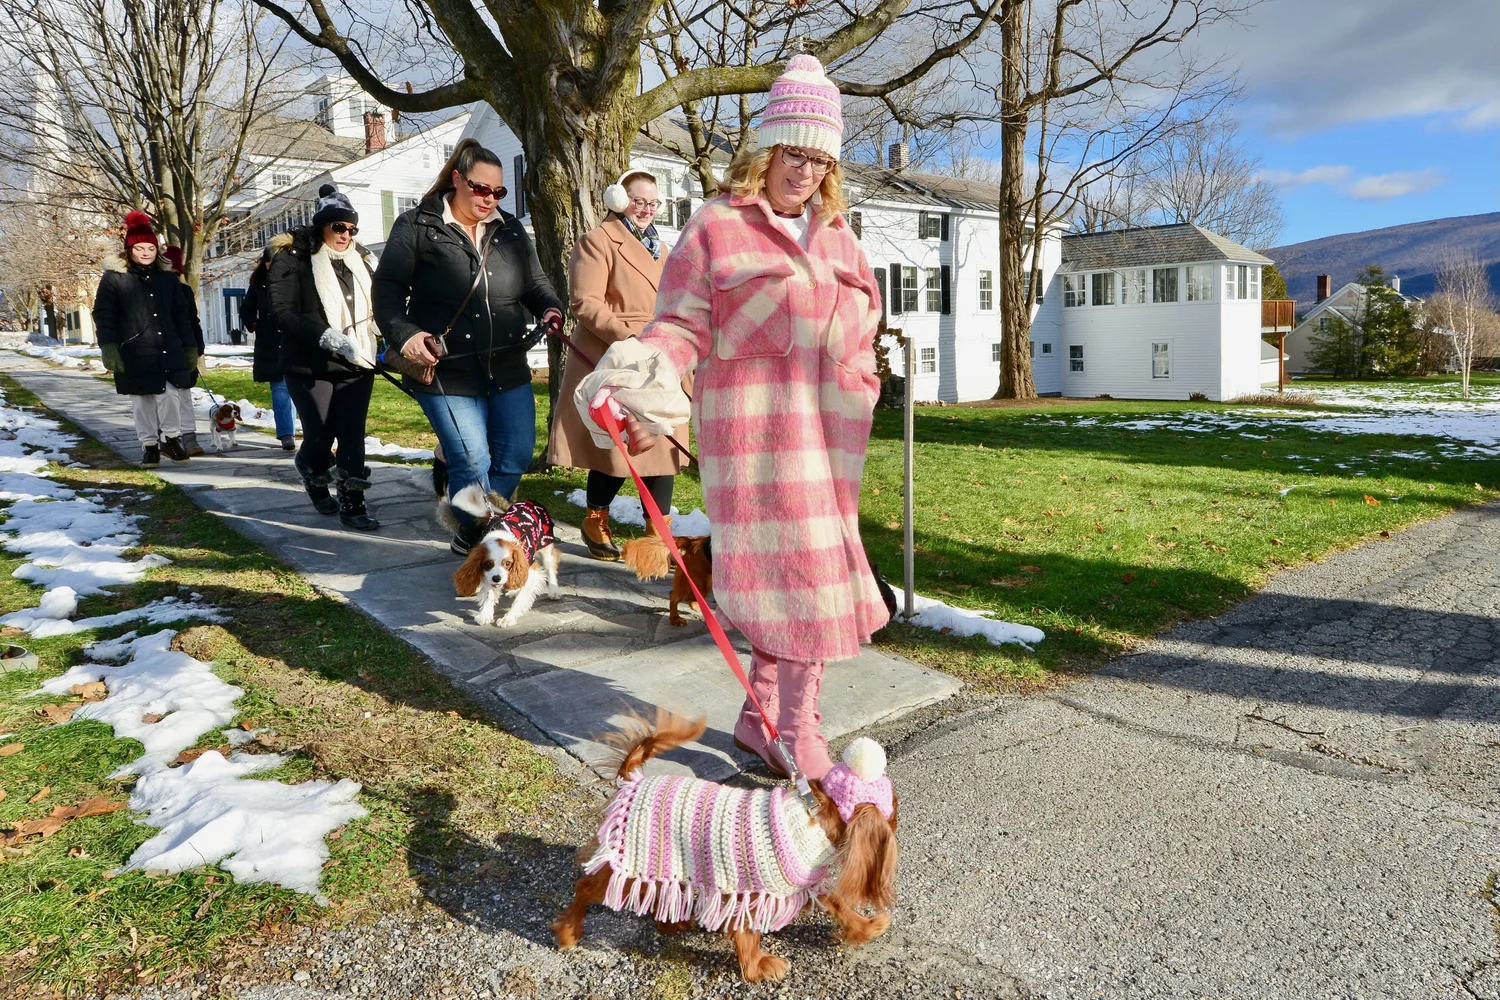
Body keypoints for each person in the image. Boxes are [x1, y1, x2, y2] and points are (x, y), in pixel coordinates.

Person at [580, 55, 888, 780]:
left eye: (818, 159)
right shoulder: (717, 229)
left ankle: (764, 719)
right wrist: (638, 374)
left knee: (810, 577)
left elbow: (864, 328)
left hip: (831, 441)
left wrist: (864, 381)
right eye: (794, 153)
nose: (804, 171)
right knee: (793, 580)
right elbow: (680, 325)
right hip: (755, 441)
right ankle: (795, 723)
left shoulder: (841, 238)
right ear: (766, 149)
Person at [374, 139, 564, 555]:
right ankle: (483, 538)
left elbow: (535, 284)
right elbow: (387, 291)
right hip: (447, 369)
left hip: (508, 365)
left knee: (514, 456)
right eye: (481, 189)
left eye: (498, 192)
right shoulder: (418, 225)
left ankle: (474, 528)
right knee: (472, 461)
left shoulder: (510, 229)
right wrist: (407, 335)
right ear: (458, 180)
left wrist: (550, 307)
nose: (489, 199)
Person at [546, 168, 690, 560]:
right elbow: (585, 303)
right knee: (614, 449)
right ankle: (595, 520)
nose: (645, 209)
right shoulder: (597, 241)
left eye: (652, 202)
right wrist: (630, 338)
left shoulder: (664, 249)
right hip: (616, 355)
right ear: (618, 200)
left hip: (662, 357)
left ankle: (657, 536)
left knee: (663, 443)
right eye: (638, 201)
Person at [267, 184, 381, 530]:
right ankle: (313, 472)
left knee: (352, 433)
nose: (346, 234)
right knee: (321, 434)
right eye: (338, 227)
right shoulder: (293, 260)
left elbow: (380, 306)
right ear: (321, 226)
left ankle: (353, 504)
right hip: (309, 364)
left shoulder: (361, 262)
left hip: (357, 362)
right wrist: (325, 336)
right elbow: (281, 311)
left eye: (351, 228)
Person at [93, 210, 198, 467]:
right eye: (139, 248)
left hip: (167, 347)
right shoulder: (114, 279)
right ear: (129, 250)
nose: (145, 253)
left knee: (171, 394)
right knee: (142, 400)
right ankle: (150, 444)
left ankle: (172, 439)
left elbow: (181, 316)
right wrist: (109, 347)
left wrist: (190, 347)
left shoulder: (168, 280)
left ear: (156, 250)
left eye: (150, 248)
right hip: (135, 349)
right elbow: (104, 315)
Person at [241, 248, 298, 450]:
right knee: (280, 388)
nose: (273, 265)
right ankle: (286, 433)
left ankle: (310, 430)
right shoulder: (258, 285)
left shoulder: (296, 279)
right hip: (270, 343)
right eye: (269, 261)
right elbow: (246, 310)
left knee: (300, 389)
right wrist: (256, 325)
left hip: (296, 338)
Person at [162, 245, 206, 455]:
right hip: (160, 350)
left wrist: (198, 345)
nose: (171, 277)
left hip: (184, 347)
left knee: (185, 394)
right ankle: (166, 436)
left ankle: (190, 437)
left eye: (175, 273)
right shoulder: (154, 292)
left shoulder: (185, 291)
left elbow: (193, 320)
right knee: (164, 396)